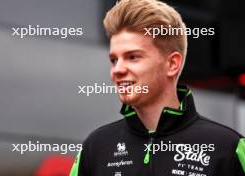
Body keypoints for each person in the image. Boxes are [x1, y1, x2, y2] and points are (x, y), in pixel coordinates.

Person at [70, 0, 245, 175]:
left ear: (172, 64)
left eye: (133, 57)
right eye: (114, 60)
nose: (118, 70)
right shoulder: (95, 148)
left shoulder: (228, 147)